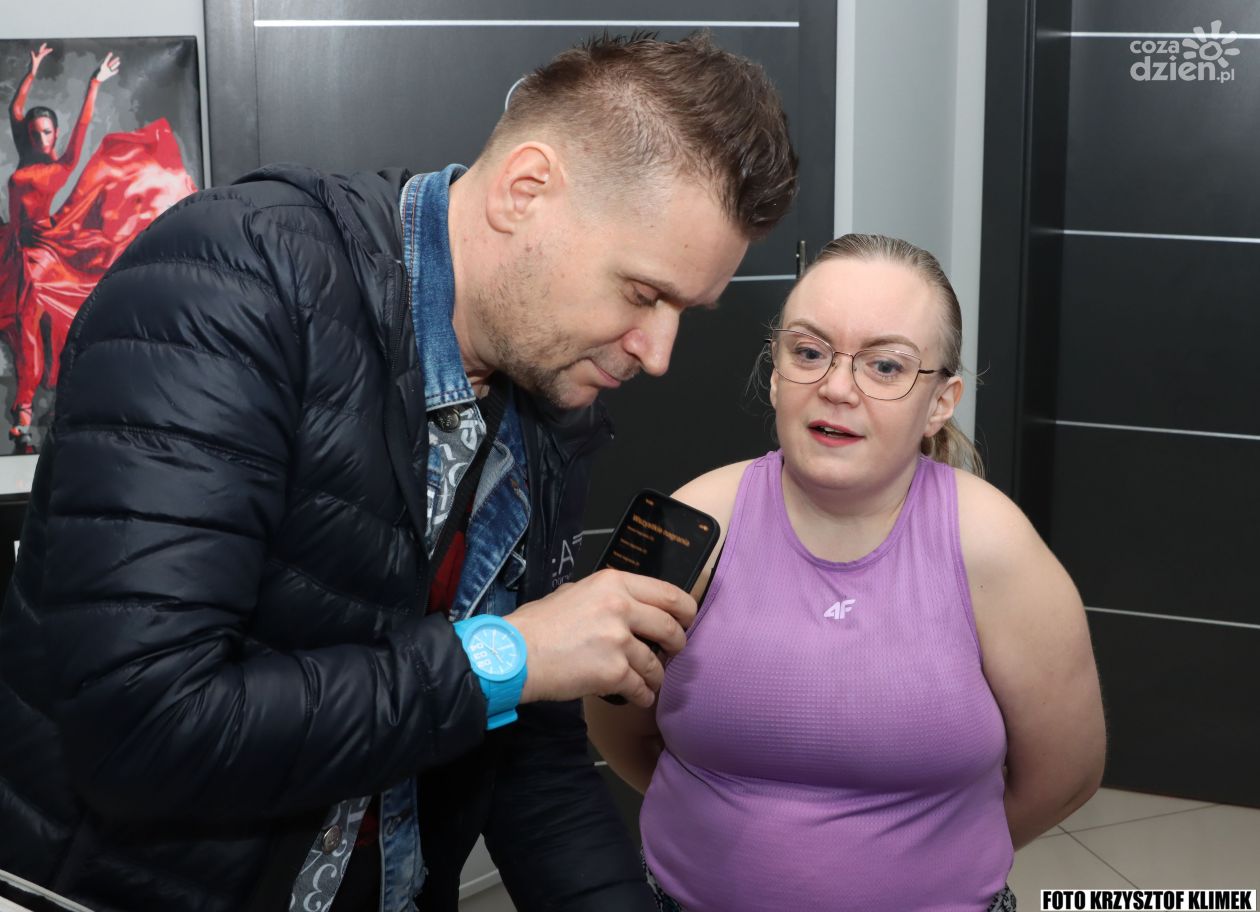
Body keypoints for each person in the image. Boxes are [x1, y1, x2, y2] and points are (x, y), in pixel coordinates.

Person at [0, 32, 797, 912]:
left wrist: (522, 668)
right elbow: (142, 728)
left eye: (686, 310)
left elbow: (530, 760)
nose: (658, 352)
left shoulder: (548, 388)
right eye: (643, 293)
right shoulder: (231, 284)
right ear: (525, 191)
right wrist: (508, 657)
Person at [586, 234, 1106, 912]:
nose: (836, 388)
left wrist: (936, 868)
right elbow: (615, 724)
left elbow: (1066, 773)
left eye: (885, 366)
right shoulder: (685, 523)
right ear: (776, 374)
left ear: (941, 401)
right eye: (808, 353)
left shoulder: (995, 546)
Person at [1, 42, 197, 452]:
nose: (40, 138)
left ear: (55, 135)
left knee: (32, 317)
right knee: (21, 325)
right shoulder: (25, 154)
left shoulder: (61, 164)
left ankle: (25, 411)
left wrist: (94, 84)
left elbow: (83, 126)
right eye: (35, 133)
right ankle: (33, 407)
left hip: (42, 249)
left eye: (47, 132)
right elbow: (16, 111)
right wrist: (32, 72)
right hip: (12, 247)